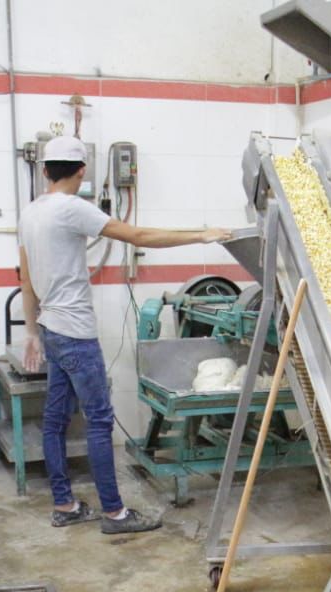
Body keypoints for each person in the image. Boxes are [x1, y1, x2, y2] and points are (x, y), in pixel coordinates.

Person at [18, 135, 231, 533]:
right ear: (81, 172)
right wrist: (200, 235)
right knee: (99, 421)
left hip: (50, 327)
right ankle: (115, 513)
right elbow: (137, 236)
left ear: (45, 170)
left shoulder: (31, 212)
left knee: (54, 420)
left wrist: (31, 330)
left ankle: (65, 505)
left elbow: (25, 277)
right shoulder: (70, 209)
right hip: (76, 334)